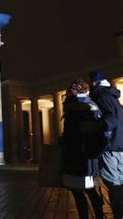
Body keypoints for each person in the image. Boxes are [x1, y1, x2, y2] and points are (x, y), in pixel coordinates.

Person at [62, 79, 104, 219]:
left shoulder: (78, 107)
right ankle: (97, 215)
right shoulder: (87, 105)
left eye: (71, 90)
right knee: (86, 190)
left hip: (78, 155)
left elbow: (77, 132)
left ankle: (93, 215)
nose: (68, 92)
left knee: (82, 191)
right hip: (82, 155)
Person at [89, 71, 123, 217]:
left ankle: (119, 213)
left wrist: (95, 126)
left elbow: (112, 119)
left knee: (112, 182)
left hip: (110, 146)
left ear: (94, 83)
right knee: (120, 180)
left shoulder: (102, 96)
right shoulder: (112, 96)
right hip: (119, 145)